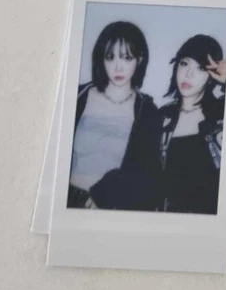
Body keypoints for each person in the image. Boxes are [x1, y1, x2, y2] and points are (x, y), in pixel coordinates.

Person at [68, 22, 162, 210]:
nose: (118, 67)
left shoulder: (147, 112)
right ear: (101, 59)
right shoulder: (77, 96)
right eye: (110, 57)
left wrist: (108, 189)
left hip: (110, 207)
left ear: (140, 59)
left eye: (127, 58)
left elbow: (150, 177)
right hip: (68, 201)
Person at [157, 35, 226, 214]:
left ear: (212, 75)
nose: (189, 74)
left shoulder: (223, 113)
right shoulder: (160, 117)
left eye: (200, 68)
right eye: (184, 63)